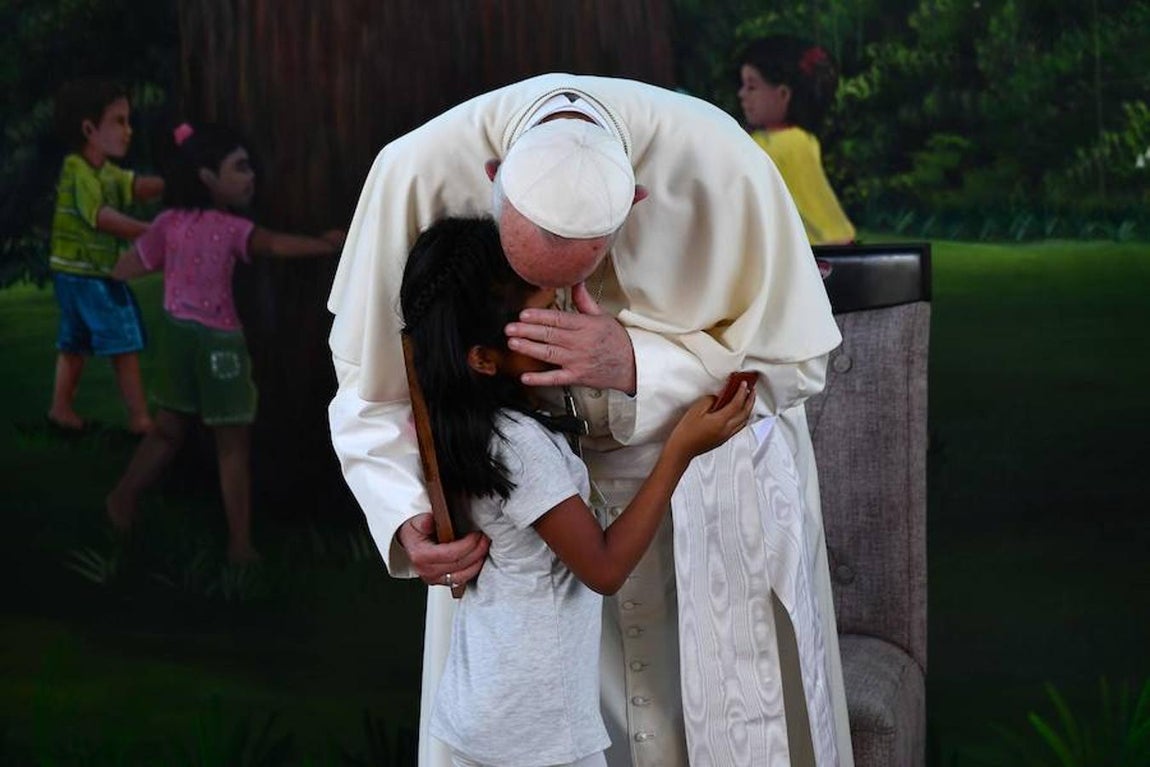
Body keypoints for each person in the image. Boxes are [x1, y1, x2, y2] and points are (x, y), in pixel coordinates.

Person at [328, 73, 853, 767]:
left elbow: (799, 367)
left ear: (636, 201)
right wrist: (404, 516)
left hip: (706, 506)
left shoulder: (726, 164)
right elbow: (373, 383)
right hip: (518, 539)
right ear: (490, 180)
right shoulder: (414, 171)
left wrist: (639, 363)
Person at [402, 216, 754, 767]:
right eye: (544, 319)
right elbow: (605, 568)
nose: (563, 322)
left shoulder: (469, 424)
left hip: (485, 704)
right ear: (483, 358)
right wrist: (681, 448)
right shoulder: (520, 446)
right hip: (533, 730)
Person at [106, 122, 343, 564]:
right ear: (207, 177)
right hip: (215, 345)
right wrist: (323, 245)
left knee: (181, 431)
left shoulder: (176, 224)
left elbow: (127, 267)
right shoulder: (209, 227)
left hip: (193, 340)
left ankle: (141, 505)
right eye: (239, 168)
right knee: (225, 439)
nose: (251, 176)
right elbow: (272, 245)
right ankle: (233, 540)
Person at [47, 78, 165, 434]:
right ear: (89, 129)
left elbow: (136, 187)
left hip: (73, 273)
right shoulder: (78, 170)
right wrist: (150, 233)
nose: (128, 131)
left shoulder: (104, 171)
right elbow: (100, 217)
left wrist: (174, 181)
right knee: (123, 338)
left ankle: (60, 409)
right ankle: (140, 419)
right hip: (89, 274)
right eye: (119, 121)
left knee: (75, 343)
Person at [738, 35, 856, 245]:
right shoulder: (797, 140)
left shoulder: (788, 144)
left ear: (783, 94)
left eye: (752, 87)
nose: (742, 95)